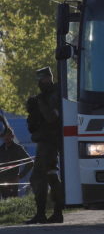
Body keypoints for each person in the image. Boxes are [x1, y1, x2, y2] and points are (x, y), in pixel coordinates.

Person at [25, 67, 65, 224]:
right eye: (40, 80)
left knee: (39, 177)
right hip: (46, 141)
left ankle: (44, 213)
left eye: (43, 79)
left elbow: (51, 118)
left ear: (49, 78)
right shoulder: (47, 96)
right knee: (51, 175)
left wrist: (39, 102)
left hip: (49, 142)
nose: (41, 83)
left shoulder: (54, 95)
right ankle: (55, 212)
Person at [0, 122, 32, 199]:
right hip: (1, 182)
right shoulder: (1, 149)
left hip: (12, 182)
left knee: (11, 201)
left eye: (8, 135)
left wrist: (19, 176)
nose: (6, 137)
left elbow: (30, 163)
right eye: (5, 135)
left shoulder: (18, 148)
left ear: (12, 136)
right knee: (3, 202)